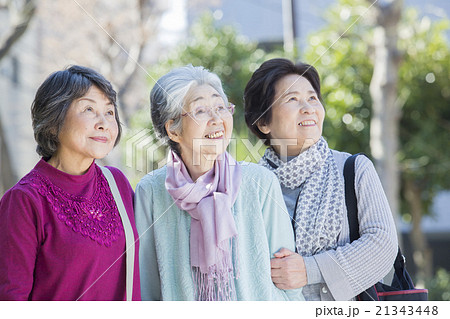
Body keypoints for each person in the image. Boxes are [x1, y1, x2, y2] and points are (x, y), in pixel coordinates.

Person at [135, 65, 303, 301]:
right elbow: (147, 286)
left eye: (221, 107)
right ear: (173, 129)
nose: (217, 119)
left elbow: (289, 284)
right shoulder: (151, 191)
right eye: (201, 110)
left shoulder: (259, 183)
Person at [243, 58, 398, 301]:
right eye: (292, 99)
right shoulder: (250, 185)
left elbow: (382, 245)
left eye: (313, 98)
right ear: (263, 122)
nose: (308, 108)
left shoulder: (353, 169)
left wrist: (308, 269)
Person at [0, 65, 140, 301]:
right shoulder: (24, 200)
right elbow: (11, 300)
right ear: (54, 121)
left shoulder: (117, 184)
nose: (104, 122)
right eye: (88, 109)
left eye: (109, 112)